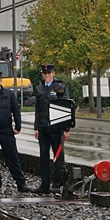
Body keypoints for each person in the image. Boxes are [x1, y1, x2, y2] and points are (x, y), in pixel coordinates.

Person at [32, 63, 69, 195]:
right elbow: (37, 109)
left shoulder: (60, 87)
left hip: (56, 128)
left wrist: (66, 129)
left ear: (53, 73)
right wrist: (36, 127)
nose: (47, 76)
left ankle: (57, 184)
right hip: (43, 128)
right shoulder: (39, 88)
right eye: (45, 73)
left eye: (49, 73)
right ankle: (45, 184)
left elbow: (66, 107)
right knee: (43, 157)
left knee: (58, 157)